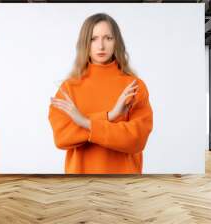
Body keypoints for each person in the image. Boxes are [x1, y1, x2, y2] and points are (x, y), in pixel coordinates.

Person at [48, 13, 153, 174]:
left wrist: (84, 122)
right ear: (85, 43)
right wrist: (109, 117)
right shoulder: (69, 87)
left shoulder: (134, 86)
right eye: (93, 39)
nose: (101, 46)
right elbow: (62, 138)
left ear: (116, 42)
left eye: (108, 38)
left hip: (124, 184)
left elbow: (136, 140)